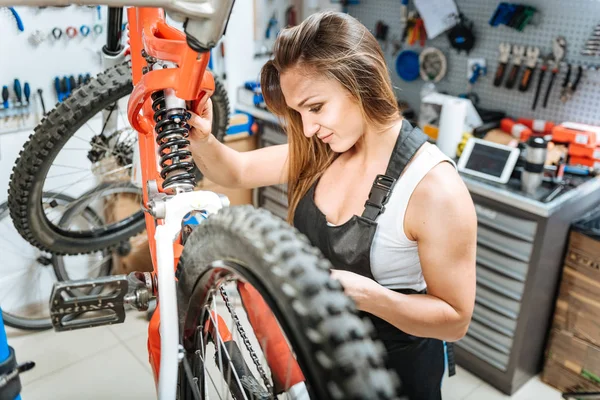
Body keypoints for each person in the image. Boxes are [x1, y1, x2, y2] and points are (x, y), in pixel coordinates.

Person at [187, 11, 477, 400]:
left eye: (316, 107)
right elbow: (236, 170)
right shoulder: (326, 150)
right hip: (321, 356)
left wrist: (373, 297)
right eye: (299, 112)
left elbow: (455, 320)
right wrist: (203, 139)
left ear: (359, 81)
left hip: (394, 378)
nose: (307, 128)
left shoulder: (433, 188)